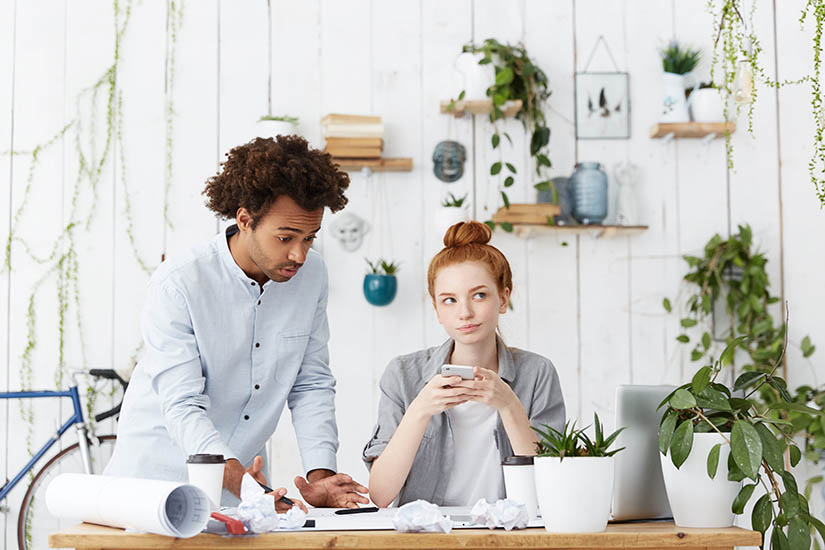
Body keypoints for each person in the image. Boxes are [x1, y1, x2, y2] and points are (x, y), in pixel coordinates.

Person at [105, 135, 369, 510]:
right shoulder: (180, 283)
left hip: (239, 492)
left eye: (310, 238)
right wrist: (247, 489)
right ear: (245, 219)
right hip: (153, 484)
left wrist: (322, 478)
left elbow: (310, 382)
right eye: (285, 237)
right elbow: (182, 406)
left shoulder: (312, 276)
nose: (299, 253)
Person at [362, 221, 566, 508]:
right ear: (436, 310)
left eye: (479, 295)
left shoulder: (537, 373)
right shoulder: (402, 375)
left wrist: (509, 405)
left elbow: (552, 489)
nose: (465, 313)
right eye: (449, 300)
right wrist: (420, 410)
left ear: (504, 298)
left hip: (509, 535)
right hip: (429, 536)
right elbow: (381, 495)